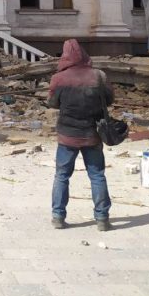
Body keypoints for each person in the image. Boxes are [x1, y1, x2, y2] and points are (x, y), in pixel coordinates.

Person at [48, 38, 114, 230]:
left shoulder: (58, 78)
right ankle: (102, 219)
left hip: (67, 135)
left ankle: (58, 217)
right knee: (97, 175)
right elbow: (109, 99)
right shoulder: (99, 76)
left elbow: (52, 103)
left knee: (61, 176)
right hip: (92, 134)